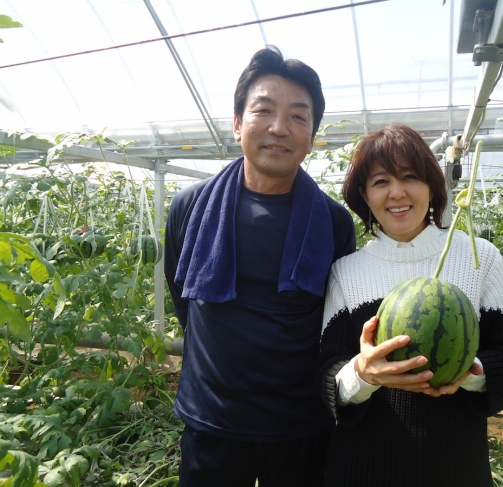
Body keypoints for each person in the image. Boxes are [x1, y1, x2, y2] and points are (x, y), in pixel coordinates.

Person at [164, 46, 356, 486]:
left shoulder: (333, 221)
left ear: (312, 136)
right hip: (211, 421)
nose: (278, 128)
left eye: (298, 117)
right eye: (263, 110)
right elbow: (184, 298)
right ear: (237, 124)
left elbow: (336, 316)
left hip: (300, 425)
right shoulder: (191, 207)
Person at [316, 124, 503, 486]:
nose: (397, 192)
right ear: (365, 195)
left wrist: (471, 370)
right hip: (361, 471)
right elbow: (326, 372)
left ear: (432, 186)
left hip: (456, 471)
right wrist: (363, 375)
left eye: (410, 177)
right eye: (380, 181)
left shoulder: (478, 259)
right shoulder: (347, 271)